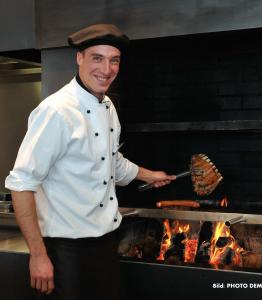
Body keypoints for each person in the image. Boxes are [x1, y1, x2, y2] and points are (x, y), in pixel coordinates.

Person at [5, 24, 175, 299]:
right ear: (79, 58)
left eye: (114, 60)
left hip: (106, 243)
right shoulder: (56, 111)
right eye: (97, 58)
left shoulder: (108, 107)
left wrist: (149, 175)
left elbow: (111, 161)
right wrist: (38, 255)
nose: (106, 69)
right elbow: (21, 184)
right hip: (66, 250)